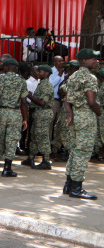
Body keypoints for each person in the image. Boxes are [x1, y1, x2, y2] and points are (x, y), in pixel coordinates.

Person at [62, 49, 101, 199]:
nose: (97, 61)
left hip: (75, 116)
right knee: (83, 151)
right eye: (94, 58)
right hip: (86, 116)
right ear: (84, 61)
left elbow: (66, 99)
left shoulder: (73, 76)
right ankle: (76, 188)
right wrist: (99, 112)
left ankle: (68, 184)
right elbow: (92, 102)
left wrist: (70, 113)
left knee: (75, 150)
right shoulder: (90, 77)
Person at [0, 59, 28, 177]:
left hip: (1, 111)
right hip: (15, 113)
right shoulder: (21, 81)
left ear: (6, 68)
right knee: (12, 140)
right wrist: (25, 118)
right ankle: (7, 168)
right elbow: (24, 101)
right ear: (16, 68)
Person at [25, 65, 54, 170]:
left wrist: (30, 96)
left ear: (47, 73)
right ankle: (30, 158)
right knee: (34, 135)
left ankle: (46, 160)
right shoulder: (41, 84)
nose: (37, 73)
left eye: (40, 71)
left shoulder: (46, 86)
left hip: (43, 113)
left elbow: (42, 102)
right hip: (38, 113)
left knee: (42, 136)